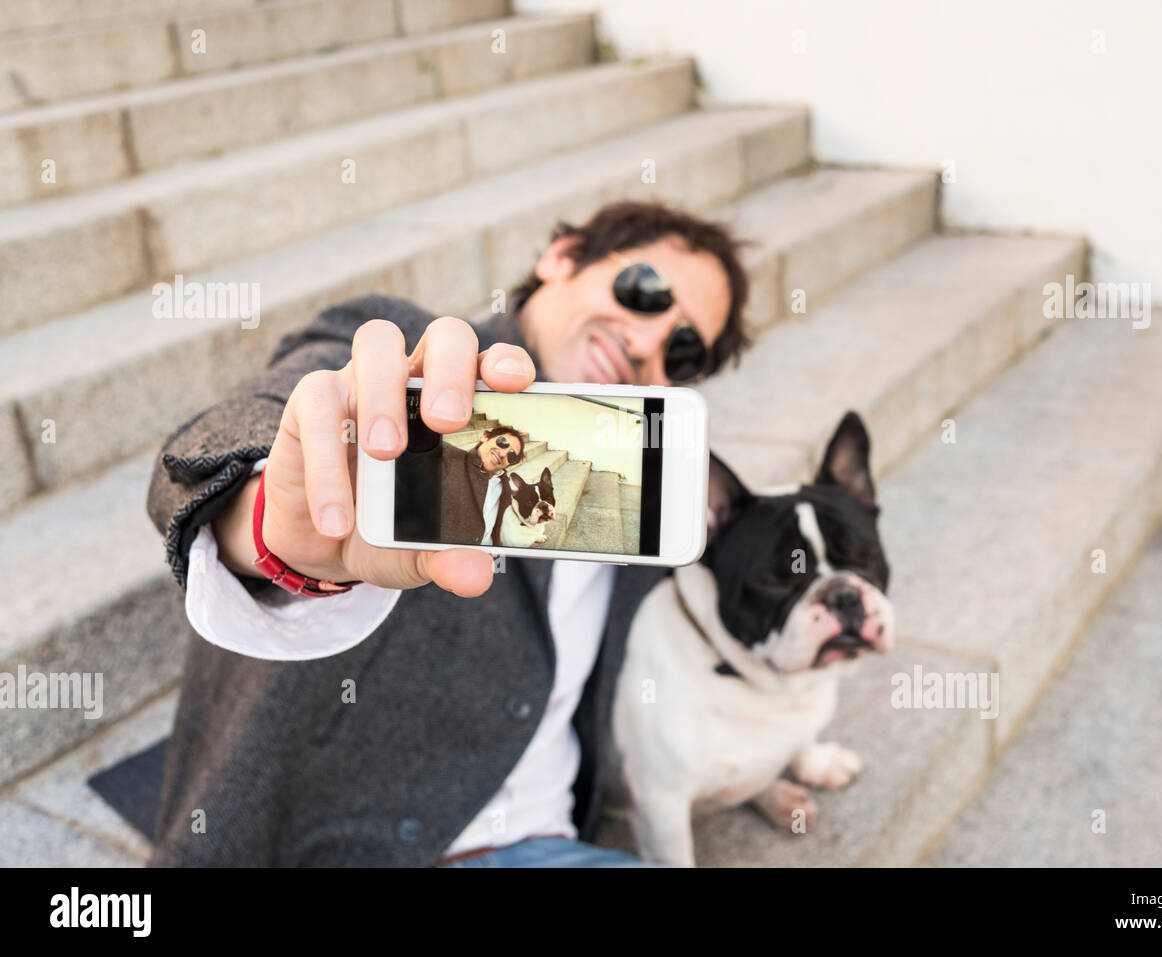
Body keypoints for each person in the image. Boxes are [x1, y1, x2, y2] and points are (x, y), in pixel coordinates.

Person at [145, 200, 751, 866]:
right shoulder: (399, 356)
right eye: (644, 292)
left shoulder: (640, 500)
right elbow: (218, 444)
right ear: (564, 256)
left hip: (545, 845)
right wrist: (268, 522)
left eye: (683, 348)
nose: (646, 342)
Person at [392, 425, 525, 547]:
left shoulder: (506, 486)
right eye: (502, 442)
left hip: (488, 560)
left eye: (511, 455)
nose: (503, 453)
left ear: (509, 464)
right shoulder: (448, 456)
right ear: (485, 436)